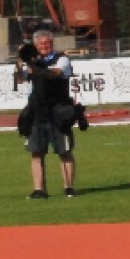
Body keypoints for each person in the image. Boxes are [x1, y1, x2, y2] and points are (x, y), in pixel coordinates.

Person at [17, 29, 87, 199]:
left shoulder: (62, 59)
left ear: (52, 43)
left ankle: (69, 187)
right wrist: (20, 61)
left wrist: (34, 67)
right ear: (35, 45)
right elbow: (20, 78)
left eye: (47, 43)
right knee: (36, 153)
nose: (44, 46)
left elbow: (55, 74)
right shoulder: (31, 62)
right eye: (41, 44)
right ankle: (38, 190)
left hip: (58, 112)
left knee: (64, 151)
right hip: (37, 113)